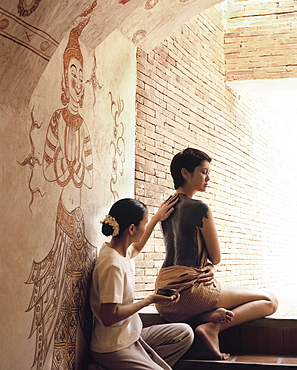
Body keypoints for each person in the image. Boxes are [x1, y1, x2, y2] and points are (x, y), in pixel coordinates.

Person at [155, 148, 278, 360]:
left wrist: (208, 265)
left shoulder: (165, 208)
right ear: (185, 173)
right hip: (191, 292)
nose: (208, 178)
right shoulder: (200, 207)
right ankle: (213, 328)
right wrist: (212, 265)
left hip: (163, 299)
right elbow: (216, 256)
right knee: (270, 301)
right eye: (203, 172)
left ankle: (204, 317)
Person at [90, 197, 194, 370]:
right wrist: (149, 300)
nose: (145, 227)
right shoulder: (112, 265)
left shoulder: (119, 251)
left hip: (131, 335)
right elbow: (109, 317)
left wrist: (155, 219)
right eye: (143, 224)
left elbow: (136, 248)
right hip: (113, 347)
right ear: (131, 229)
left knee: (184, 334)